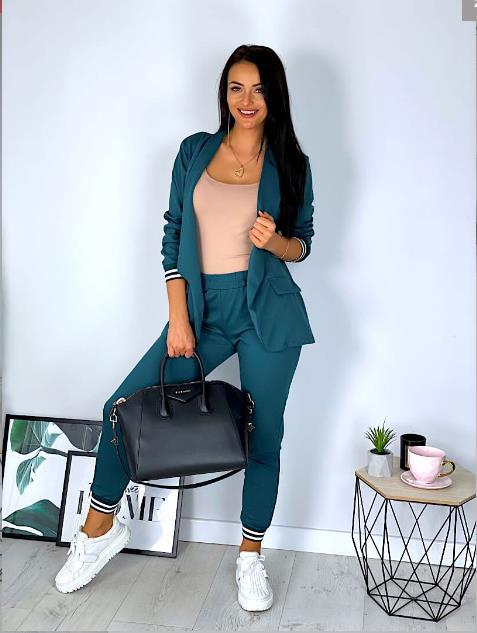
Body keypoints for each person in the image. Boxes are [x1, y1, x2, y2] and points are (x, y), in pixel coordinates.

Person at [55, 44, 316, 613]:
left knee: (263, 436)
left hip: (267, 313)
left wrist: (276, 242)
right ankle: (99, 530)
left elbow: (304, 243)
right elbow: (173, 233)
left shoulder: (291, 164)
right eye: (236, 87)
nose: (247, 100)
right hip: (201, 309)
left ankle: (250, 557)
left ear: (275, 96)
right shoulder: (195, 152)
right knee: (123, 408)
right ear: (224, 93)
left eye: (259, 89)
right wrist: (179, 316)